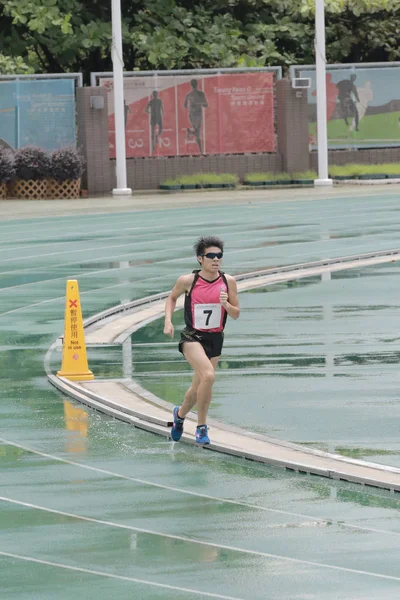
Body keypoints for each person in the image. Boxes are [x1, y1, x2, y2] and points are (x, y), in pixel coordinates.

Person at [163, 236, 240, 445]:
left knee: (196, 390)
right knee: (208, 375)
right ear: (200, 259)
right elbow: (171, 298)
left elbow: (236, 314)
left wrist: (226, 305)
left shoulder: (228, 282)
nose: (216, 260)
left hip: (215, 338)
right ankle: (201, 427)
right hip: (192, 337)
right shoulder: (188, 281)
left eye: (219, 256)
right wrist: (168, 321)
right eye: (211, 256)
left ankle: (179, 416)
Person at [184, 79, 208, 154]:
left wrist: (196, 103)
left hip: (196, 114)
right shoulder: (191, 94)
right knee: (197, 131)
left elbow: (185, 105)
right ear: (197, 84)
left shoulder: (194, 94)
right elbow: (205, 105)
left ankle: (190, 131)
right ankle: (201, 151)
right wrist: (198, 103)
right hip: (194, 114)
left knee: (197, 131)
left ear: (191, 85)